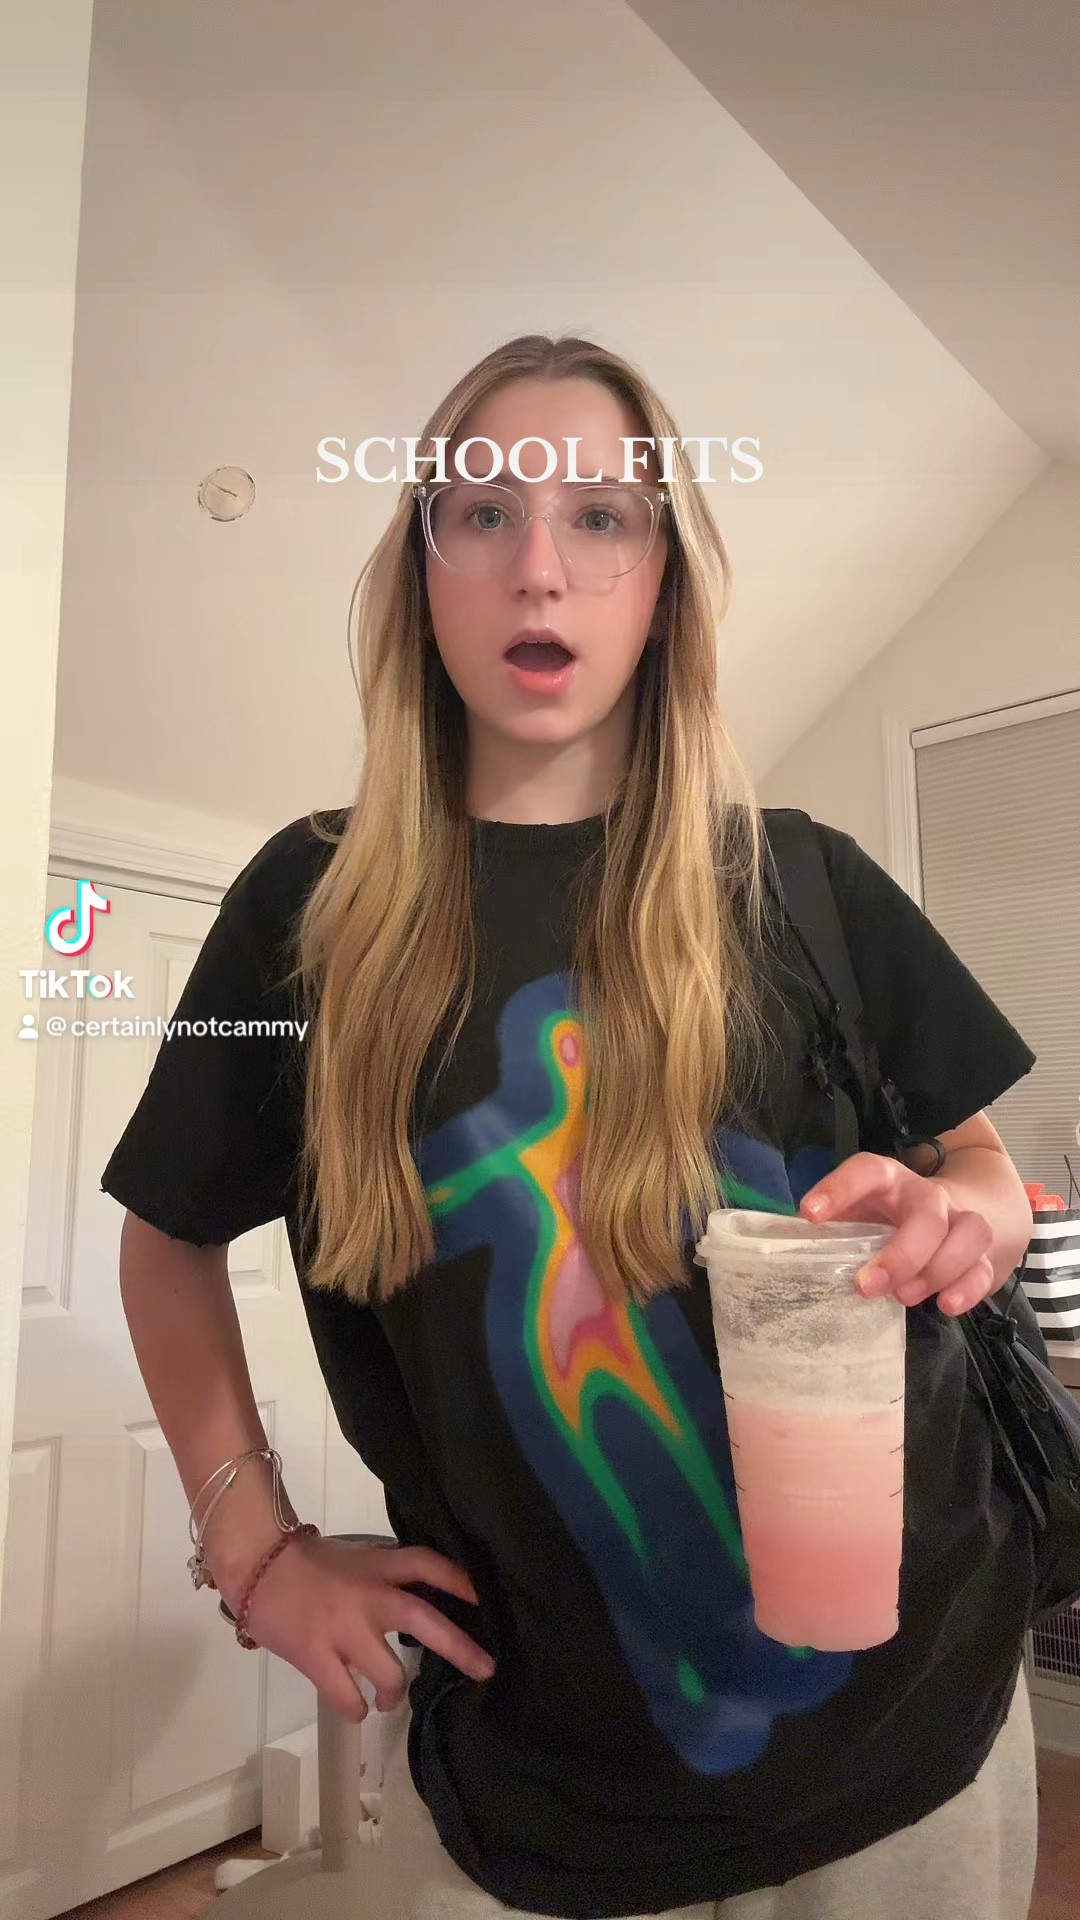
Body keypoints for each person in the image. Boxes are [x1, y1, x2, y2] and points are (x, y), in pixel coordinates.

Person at [101, 333, 1041, 1920]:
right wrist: (254, 1555)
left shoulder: (804, 879)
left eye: (603, 517)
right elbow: (164, 1240)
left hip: (917, 1727)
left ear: (664, 584)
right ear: (422, 575)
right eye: (483, 514)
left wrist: (973, 1217)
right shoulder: (301, 912)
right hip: (543, 1788)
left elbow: (988, 1169)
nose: (539, 566)